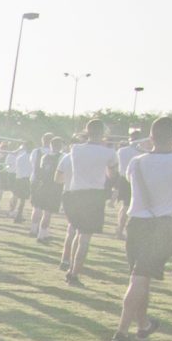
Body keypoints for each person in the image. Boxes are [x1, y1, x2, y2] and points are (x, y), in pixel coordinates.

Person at [111, 116, 172, 341]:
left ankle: (142, 325)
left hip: (136, 224)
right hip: (163, 225)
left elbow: (127, 177)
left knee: (140, 277)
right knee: (140, 279)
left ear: (151, 137)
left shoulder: (136, 161)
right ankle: (122, 332)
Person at [58, 118, 118, 285]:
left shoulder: (75, 149)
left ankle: (69, 265)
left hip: (75, 194)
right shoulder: (109, 153)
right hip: (94, 196)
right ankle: (73, 274)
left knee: (77, 232)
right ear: (103, 132)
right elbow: (112, 175)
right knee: (84, 238)